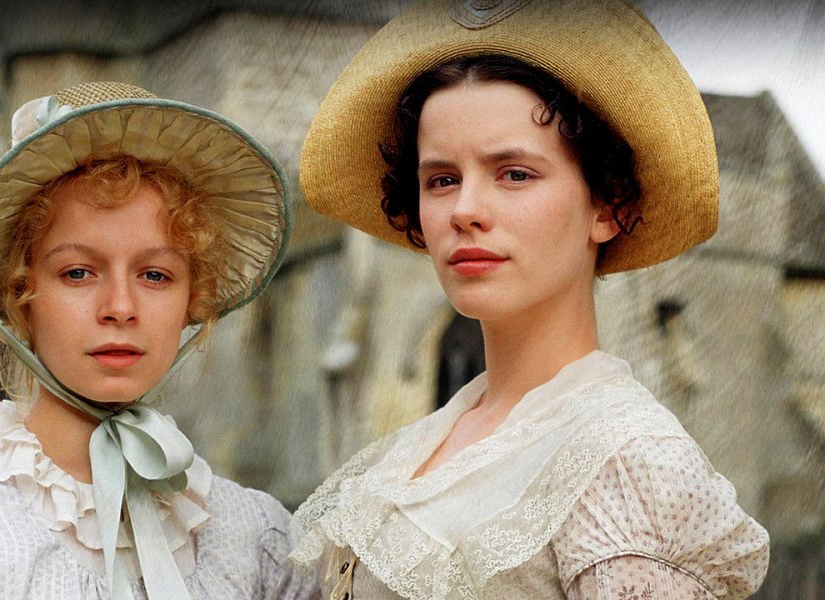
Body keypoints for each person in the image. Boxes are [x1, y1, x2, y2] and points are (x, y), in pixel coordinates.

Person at [289, 1, 770, 599]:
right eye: (442, 179)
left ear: (608, 207)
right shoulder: (424, 443)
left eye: (514, 173)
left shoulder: (627, 462)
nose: (465, 210)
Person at [0, 81, 318, 600]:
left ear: (191, 301)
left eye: (155, 275)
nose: (121, 307)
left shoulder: (256, 542)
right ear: (21, 294)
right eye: (79, 272)